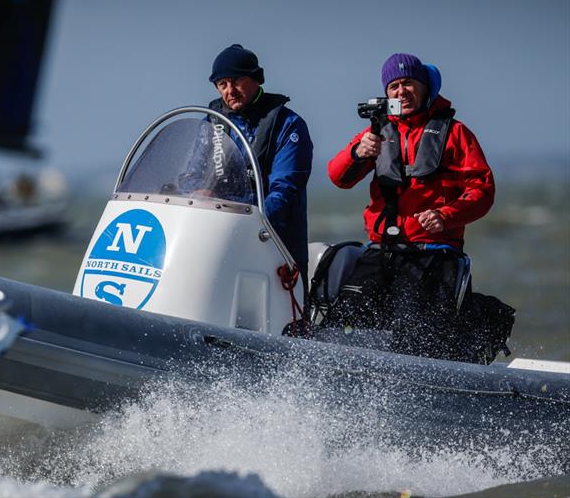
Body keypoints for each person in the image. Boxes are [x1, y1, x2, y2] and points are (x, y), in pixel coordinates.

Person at [325, 52, 498, 361]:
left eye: (409, 84)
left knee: (414, 335)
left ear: (425, 86)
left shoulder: (455, 133)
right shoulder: (376, 132)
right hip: (381, 251)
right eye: (394, 86)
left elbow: (482, 190)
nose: (401, 91)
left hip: (433, 255)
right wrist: (357, 152)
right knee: (342, 321)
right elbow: (338, 177)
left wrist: (446, 216)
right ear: (386, 92)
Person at [204, 44, 314, 272]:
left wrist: (243, 225)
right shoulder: (212, 122)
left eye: (236, 81)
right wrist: (196, 192)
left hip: (275, 244)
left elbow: (284, 192)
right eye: (222, 84)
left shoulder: (288, 125)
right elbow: (193, 174)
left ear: (256, 79)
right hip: (217, 240)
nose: (229, 90)